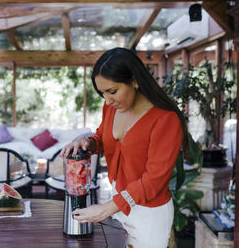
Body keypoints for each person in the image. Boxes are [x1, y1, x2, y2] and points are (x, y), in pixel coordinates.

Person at [60, 47, 189, 248]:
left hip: (148, 213)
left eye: (112, 91)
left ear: (135, 81)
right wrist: (88, 142)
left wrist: (108, 208)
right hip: (118, 198)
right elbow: (102, 137)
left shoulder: (166, 119)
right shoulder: (111, 107)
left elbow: (154, 180)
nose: (108, 100)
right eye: (102, 93)